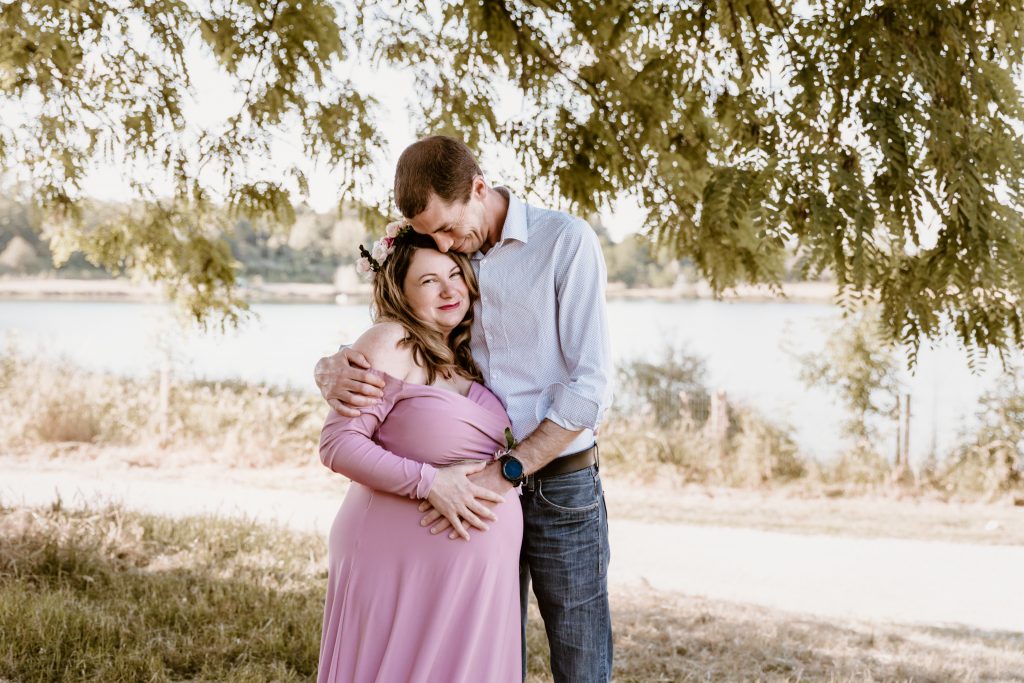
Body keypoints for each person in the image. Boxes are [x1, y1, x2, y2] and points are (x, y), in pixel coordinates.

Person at [315, 135, 614, 682]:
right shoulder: (449, 250)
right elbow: (402, 329)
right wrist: (331, 366)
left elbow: (589, 387)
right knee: (495, 650)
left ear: (480, 188)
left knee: (580, 655)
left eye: (450, 229)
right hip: (472, 495)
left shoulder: (563, 241)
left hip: (559, 485)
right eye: (434, 237)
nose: (448, 247)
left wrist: (509, 471)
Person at [316, 229, 522, 683]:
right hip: (398, 563)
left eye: (455, 274)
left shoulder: (467, 357)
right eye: (429, 281)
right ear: (400, 293)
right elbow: (337, 445)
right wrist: (431, 482)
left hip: (473, 582)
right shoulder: (389, 341)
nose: (450, 290)